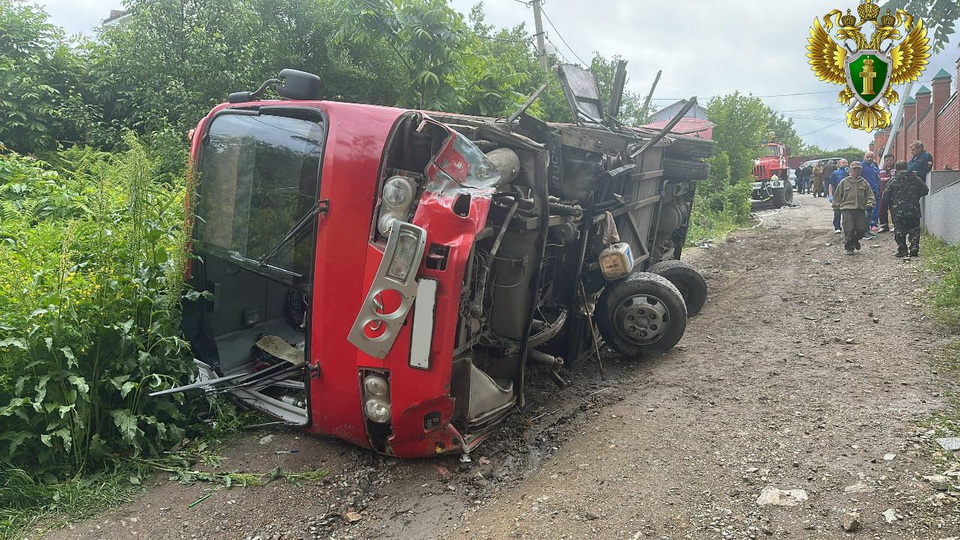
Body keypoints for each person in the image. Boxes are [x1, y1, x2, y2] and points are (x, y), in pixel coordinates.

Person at [881, 161, 929, 257]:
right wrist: (916, 196)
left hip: (898, 210)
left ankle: (902, 249)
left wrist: (893, 202)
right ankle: (914, 246)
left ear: (896, 169)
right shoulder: (915, 178)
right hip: (913, 208)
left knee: (899, 229)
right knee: (914, 228)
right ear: (907, 167)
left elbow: (885, 196)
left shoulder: (893, 180)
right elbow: (925, 190)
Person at [832, 161, 875, 255]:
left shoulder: (864, 183)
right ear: (850, 170)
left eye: (858, 169)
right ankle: (849, 247)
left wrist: (870, 203)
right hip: (847, 209)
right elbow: (837, 196)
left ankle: (854, 240)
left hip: (860, 209)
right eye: (854, 169)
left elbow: (870, 196)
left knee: (862, 230)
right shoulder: (844, 182)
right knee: (849, 229)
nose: (856, 171)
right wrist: (836, 207)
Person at [861, 151, 881, 231]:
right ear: (864, 157)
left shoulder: (874, 166)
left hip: (874, 190)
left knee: (875, 208)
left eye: (871, 157)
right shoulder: (861, 167)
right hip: (864, 192)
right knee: (866, 208)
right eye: (867, 157)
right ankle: (865, 226)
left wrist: (878, 187)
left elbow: (877, 178)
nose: (869, 159)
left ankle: (873, 224)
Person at [827, 159, 849, 233]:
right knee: (837, 211)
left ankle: (847, 227)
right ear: (839, 164)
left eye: (846, 163)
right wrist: (830, 195)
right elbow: (831, 184)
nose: (845, 164)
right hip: (837, 195)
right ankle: (837, 227)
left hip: (848, 195)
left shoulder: (849, 173)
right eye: (843, 163)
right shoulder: (835, 173)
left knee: (847, 212)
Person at [877, 153, 896, 232]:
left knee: (893, 209)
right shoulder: (881, 171)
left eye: (891, 160)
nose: (889, 161)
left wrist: (888, 179)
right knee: (882, 209)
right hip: (883, 193)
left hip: (893, 193)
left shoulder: (896, 170)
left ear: (894, 160)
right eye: (887, 160)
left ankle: (895, 225)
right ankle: (884, 225)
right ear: (884, 161)